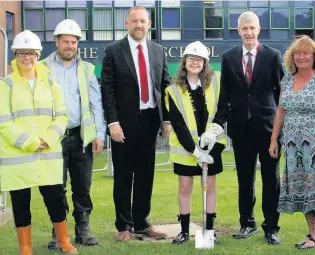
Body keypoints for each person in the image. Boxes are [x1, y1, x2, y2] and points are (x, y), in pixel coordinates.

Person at [0, 30, 77, 254]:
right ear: (15, 55)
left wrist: (47, 139)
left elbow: (62, 115)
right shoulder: (5, 86)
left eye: (31, 53)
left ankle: (64, 241)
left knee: (56, 201)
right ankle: (25, 248)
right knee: (21, 204)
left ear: (38, 55)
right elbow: (3, 122)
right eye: (22, 53)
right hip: (19, 158)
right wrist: (30, 142)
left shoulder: (50, 82)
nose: (26, 57)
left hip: (47, 155)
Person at [101, 6, 171, 242]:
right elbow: (107, 90)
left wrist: (167, 119)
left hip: (150, 122)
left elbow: (165, 86)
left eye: (143, 21)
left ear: (149, 23)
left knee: (145, 176)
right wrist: (112, 122)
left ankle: (141, 222)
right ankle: (124, 226)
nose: (139, 25)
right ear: (126, 23)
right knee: (122, 177)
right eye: (134, 21)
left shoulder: (158, 51)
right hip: (123, 125)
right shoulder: (113, 51)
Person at [215, 11, 285, 245]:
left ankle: (271, 228)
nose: (248, 32)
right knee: (245, 180)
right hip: (240, 129)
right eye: (244, 28)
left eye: (252, 28)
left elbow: (281, 94)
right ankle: (247, 223)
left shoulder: (273, 56)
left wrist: (280, 126)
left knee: (270, 179)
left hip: (268, 130)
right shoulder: (228, 57)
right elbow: (225, 93)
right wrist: (217, 124)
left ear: (259, 29)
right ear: (238, 31)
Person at [269, 35, 315, 249]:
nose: (301, 57)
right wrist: (274, 140)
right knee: (303, 191)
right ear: (292, 57)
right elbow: (280, 111)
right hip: (292, 145)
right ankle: (312, 234)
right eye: (297, 53)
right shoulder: (287, 80)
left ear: (314, 56)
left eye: (306, 53)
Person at [41, 19, 105, 248]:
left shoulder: (87, 69)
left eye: (74, 41)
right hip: (53, 139)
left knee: (82, 187)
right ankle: (58, 233)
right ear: (57, 42)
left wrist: (100, 135)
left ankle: (83, 230)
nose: (70, 45)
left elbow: (96, 103)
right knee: (55, 188)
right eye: (66, 41)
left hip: (81, 138)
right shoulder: (42, 68)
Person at [165, 41, 227, 245]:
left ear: (205, 62)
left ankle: (210, 230)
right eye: (191, 58)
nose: (195, 62)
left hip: (213, 145)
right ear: (184, 62)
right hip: (186, 149)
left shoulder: (216, 80)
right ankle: (184, 230)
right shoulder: (173, 90)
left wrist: (215, 130)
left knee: (209, 186)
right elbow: (179, 124)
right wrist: (195, 151)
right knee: (185, 187)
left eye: (199, 59)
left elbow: (224, 107)